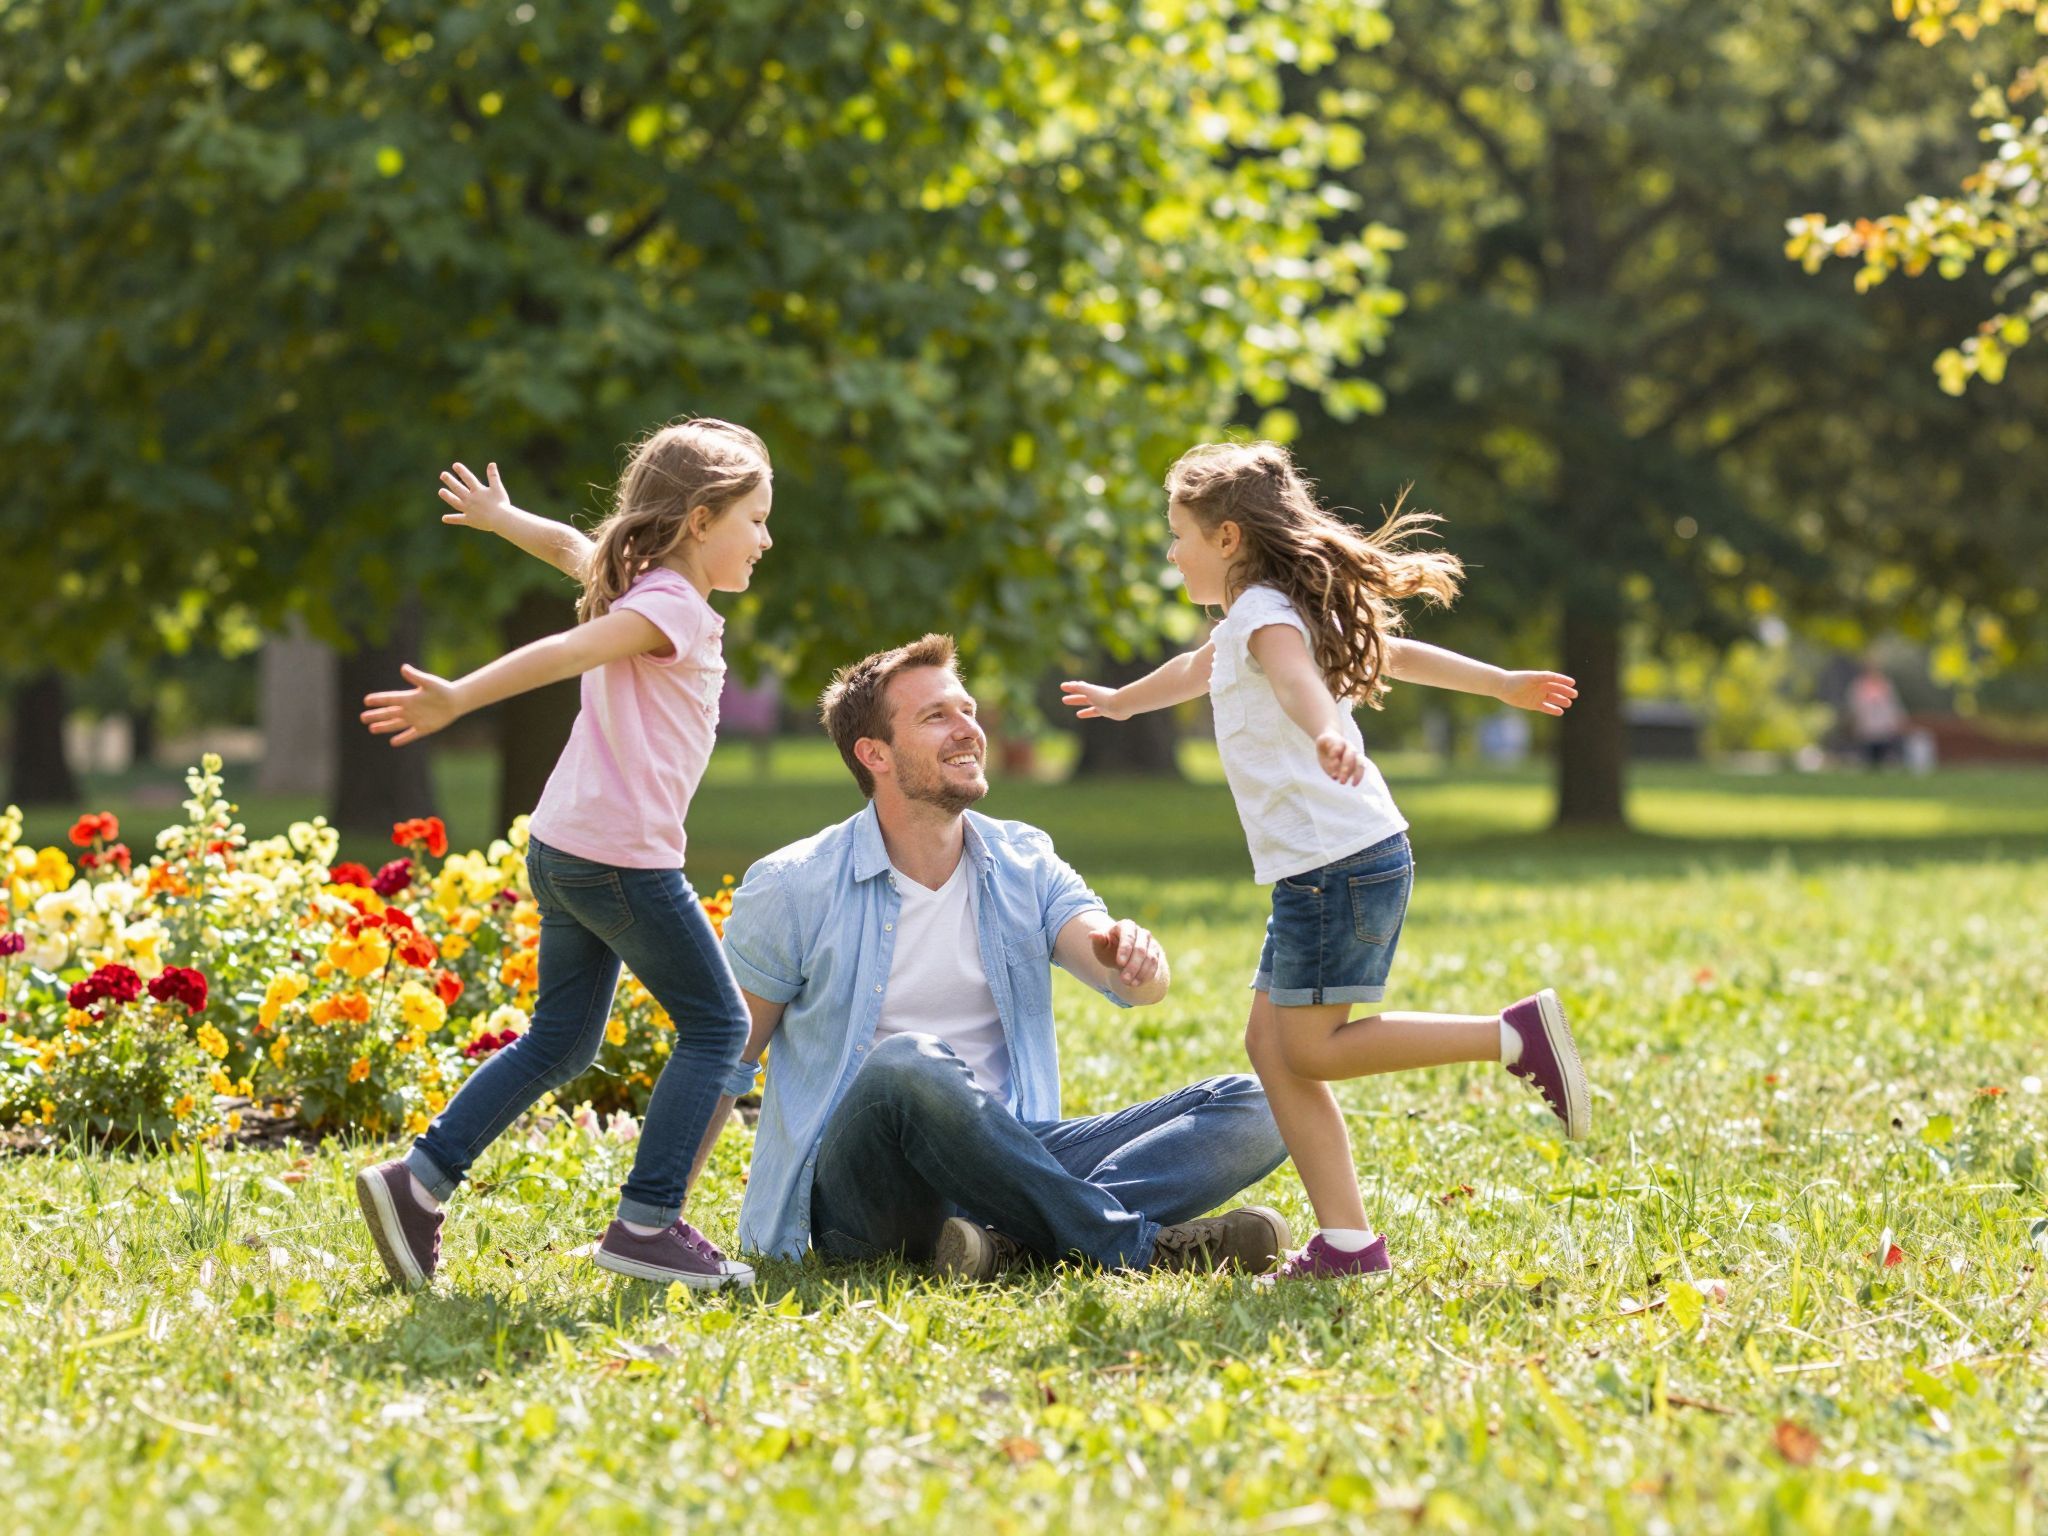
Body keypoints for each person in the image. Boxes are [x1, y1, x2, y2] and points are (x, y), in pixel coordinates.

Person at [1061, 440, 1591, 1280]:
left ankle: (1512, 1037)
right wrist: (1123, 701)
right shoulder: (1253, 615)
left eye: (1179, 535)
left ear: (1228, 537)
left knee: (1307, 1050)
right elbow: (1357, 656)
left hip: (1335, 863)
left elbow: (1299, 680)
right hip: (1332, 861)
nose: (1171, 552)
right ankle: (1349, 1244)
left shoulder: (1268, 620)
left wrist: (1328, 730)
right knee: (1272, 1049)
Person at [687, 633, 1295, 1280]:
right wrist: (654, 1216)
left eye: (968, 710)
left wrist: (1133, 959)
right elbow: (728, 1057)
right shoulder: (793, 885)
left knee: (1266, 1104)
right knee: (908, 1063)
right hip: (866, 1196)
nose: (968, 730)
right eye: (936, 717)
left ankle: (1007, 1245)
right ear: (875, 754)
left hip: (1007, 1162)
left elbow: (1124, 973)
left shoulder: (1023, 860)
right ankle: (1132, 1247)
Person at [352, 418, 772, 1292]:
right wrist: (460, 697)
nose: (766, 539)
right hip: (623, 860)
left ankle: (417, 1183)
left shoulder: (640, 581)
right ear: (700, 519)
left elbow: (573, 548)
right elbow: (568, 649)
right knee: (721, 1025)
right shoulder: (672, 610)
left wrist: (505, 519)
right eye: (755, 519)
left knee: (561, 1040)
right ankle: (649, 1223)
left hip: (566, 847)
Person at [1846, 656, 1906, 769]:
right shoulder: (1859, 687)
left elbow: (1893, 706)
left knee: (1885, 759)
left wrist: (1897, 721)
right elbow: (1855, 708)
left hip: (1884, 730)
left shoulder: (1885, 685)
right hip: (1867, 730)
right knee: (1868, 760)